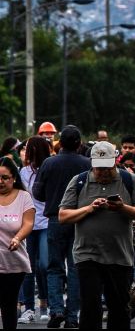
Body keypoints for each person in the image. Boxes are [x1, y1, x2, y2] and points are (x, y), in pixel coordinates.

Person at [58, 141, 135, 330]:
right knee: (90, 306)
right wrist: (89, 208)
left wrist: (122, 207)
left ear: (115, 162)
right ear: (92, 164)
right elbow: (63, 216)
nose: (103, 172)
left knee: (119, 307)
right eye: (99, 168)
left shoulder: (128, 180)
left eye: (107, 168)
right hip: (87, 254)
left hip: (119, 255)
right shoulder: (79, 181)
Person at [32, 125, 91, 329]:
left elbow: (37, 193)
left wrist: (53, 197)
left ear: (60, 143)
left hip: (56, 219)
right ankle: (73, 316)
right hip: (81, 220)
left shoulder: (49, 163)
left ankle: (56, 310)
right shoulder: (87, 164)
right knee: (75, 268)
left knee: (54, 267)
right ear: (79, 143)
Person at [18, 137, 52, 325]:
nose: (25, 152)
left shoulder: (50, 168)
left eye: (28, 149)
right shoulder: (22, 172)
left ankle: (44, 305)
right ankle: (29, 308)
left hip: (46, 222)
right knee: (27, 266)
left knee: (44, 265)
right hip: (28, 223)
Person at [0, 157, 35, 331]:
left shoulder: (24, 197)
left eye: (4, 177)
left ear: (13, 177)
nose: (0, 182)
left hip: (14, 261)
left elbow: (28, 223)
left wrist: (17, 238)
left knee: (8, 303)